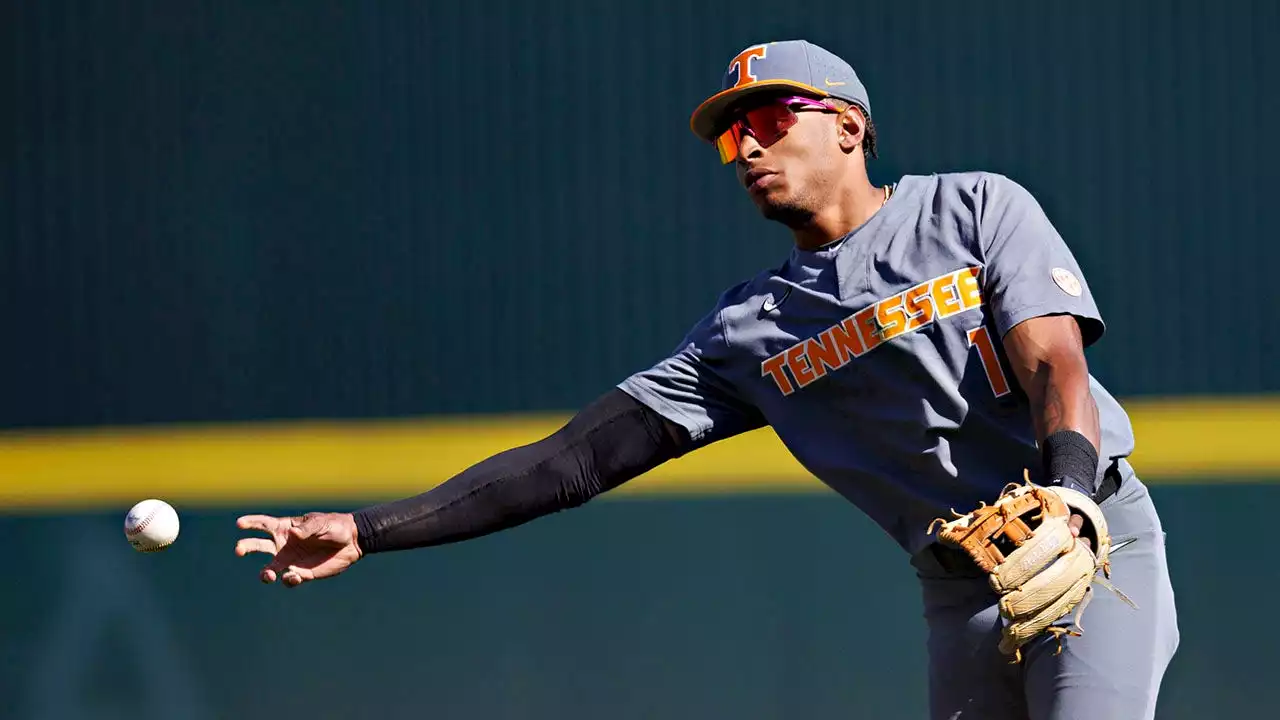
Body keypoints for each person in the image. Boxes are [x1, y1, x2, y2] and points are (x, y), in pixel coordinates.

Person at [235, 40, 1179, 719]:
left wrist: (1066, 495)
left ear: (849, 127)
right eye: (734, 140)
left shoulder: (974, 207)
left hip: (1093, 546)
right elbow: (572, 461)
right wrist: (368, 528)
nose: (750, 149)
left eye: (769, 120)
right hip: (959, 588)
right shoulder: (747, 334)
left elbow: (1055, 360)